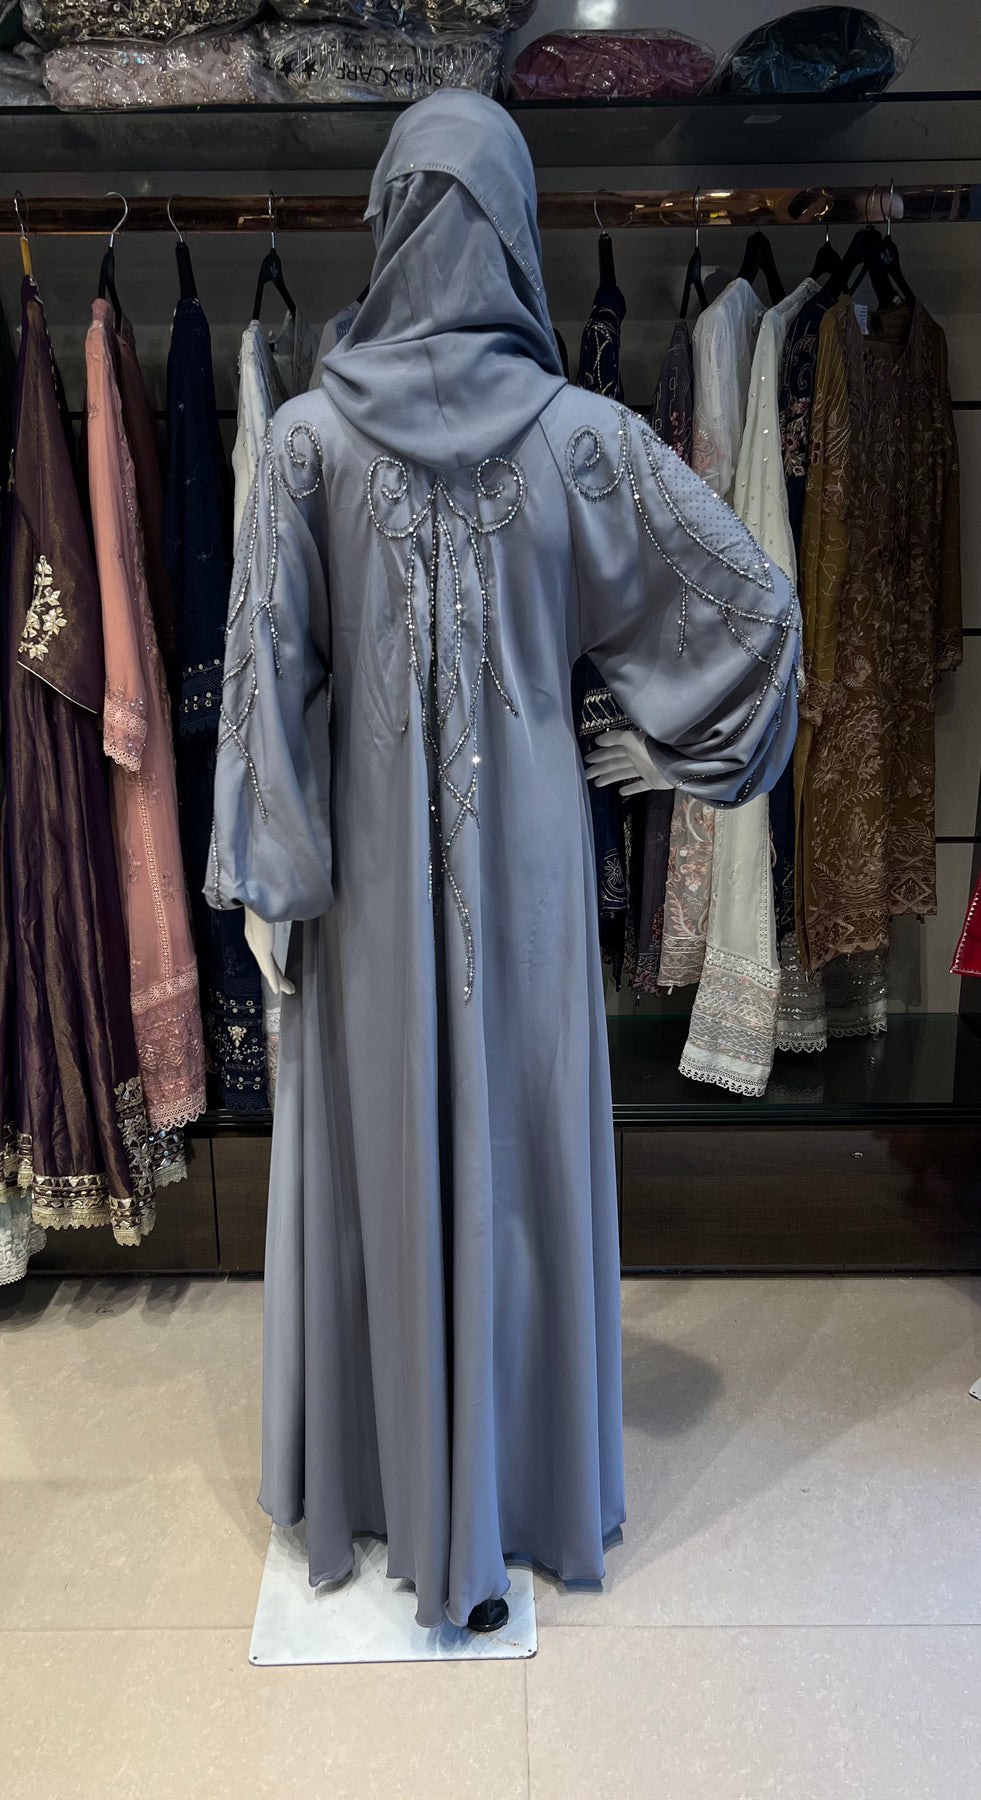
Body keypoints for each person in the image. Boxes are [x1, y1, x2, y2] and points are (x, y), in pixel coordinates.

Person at [208, 90, 800, 1633]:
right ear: (518, 230)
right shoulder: (582, 440)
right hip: (528, 881)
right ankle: (522, 1487)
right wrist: (669, 747)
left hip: (362, 900)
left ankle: (391, 1484)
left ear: (388, 223)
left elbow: (267, 687)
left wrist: (276, 881)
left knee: (377, 1160)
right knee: (522, 1162)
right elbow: (751, 608)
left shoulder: (308, 446)